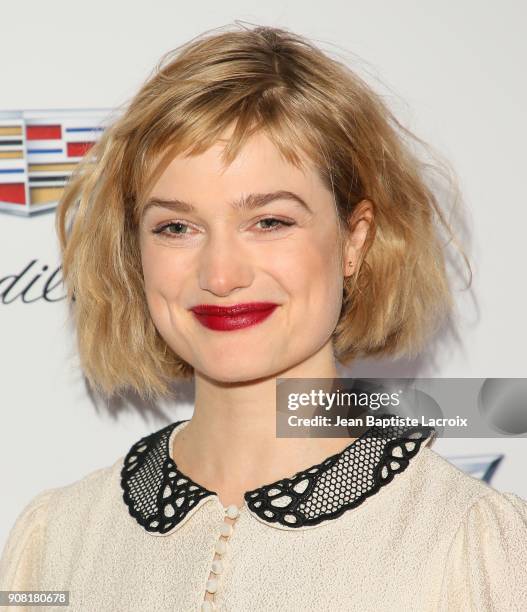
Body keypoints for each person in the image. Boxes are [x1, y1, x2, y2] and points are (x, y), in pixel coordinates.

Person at [1, 23, 526, 612]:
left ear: (355, 241)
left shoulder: (466, 543)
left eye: (270, 221)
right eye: (177, 227)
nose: (220, 275)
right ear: (135, 253)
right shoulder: (57, 541)